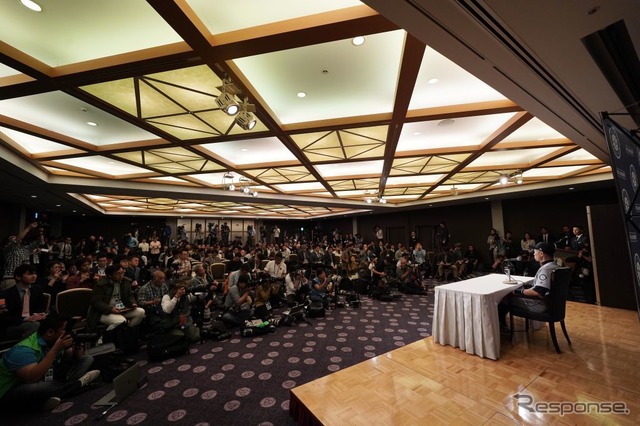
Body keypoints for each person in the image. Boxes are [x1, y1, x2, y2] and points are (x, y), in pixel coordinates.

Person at [0, 313, 100, 412]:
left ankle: (52, 396)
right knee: (42, 387)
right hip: (10, 392)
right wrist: (55, 349)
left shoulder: (52, 341)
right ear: (50, 332)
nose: (66, 333)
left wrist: (76, 346)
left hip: (48, 380)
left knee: (87, 359)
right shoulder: (22, 350)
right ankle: (77, 385)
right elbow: (32, 378)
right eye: (63, 330)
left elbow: (71, 360)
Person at [498, 242, 559, 333]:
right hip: (552, 305)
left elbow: (538, 292)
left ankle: (502, 326)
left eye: (535, 251)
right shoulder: (554, 266)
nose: (533, 253)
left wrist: (518, 291)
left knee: (502, 299)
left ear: (541, 254)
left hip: (540, 305)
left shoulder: (545, 269)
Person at [87, 264, 145, 332]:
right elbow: (96, 302)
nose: (121, 275)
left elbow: (130, 296)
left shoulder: (125, 282)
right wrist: (110, 309)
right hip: (104, 312)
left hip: (121, 308)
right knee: (121, 321)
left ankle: (128, 331)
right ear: (110, 275)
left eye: (122, 272)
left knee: (141, 312)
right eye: (118, 273)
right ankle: (104, 337)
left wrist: (133, 303)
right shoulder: (101, 285)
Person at [0, 265, 47, 340]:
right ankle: (24, 350)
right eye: (29, 274)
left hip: (33, 320)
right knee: (34, 325)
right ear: (18, 277)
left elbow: (40, 307)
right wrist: (25, 319)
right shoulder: (5, 294)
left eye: (34, 273)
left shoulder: (37, 289)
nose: (33, 276)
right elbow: (4, 318)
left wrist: (39, 314)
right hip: (13, 325)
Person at [1, 222, 44, 291]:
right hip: (11, 279)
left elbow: (40, 242)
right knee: (8, 301)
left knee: (23, 300)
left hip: (24, 280)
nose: (15, 238)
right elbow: (16, 240)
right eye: (12, 238)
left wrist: (41, 233)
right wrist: (29, 227)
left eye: (15, 236)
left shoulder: (25, 249)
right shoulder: (8, 249)